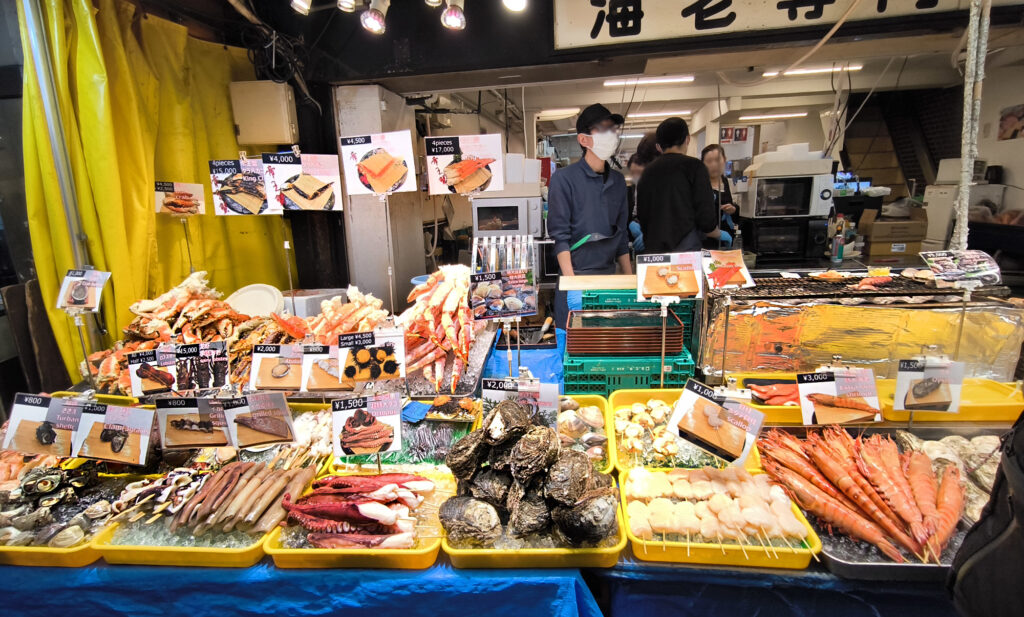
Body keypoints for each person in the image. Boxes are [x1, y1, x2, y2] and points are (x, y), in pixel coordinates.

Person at [547, 103, 633, 329]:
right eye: (602, 129)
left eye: (612, 129)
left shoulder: (618, 182)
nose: (611, 135)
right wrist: (573, 284)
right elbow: (560, 237)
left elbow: (622, 237)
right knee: (574, 353)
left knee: (607, 352)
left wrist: (629, 282)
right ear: (583, 139)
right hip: (575, 277)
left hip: (609, 280)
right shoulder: (563, 179)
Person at [636, 117, 719, 253]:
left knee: (659, 275)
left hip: (654, 250)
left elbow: (642, 214)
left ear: (659, 145)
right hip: (686, 251)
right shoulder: (695, 167)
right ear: (687, 139)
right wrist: (718, 233)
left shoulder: (647, 172)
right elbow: (706, 217)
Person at [625, 133, 658, 254]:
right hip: (637, 242)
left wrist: (651, 234)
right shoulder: (629, 191)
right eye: (633, 173)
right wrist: (631, 223)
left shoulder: (661, 188)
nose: (636, 177)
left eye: (639, 173)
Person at [701, 143, 736, 247]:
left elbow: (730, 204)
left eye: (717, 160)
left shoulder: (725, 181)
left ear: (724, 159)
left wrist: (732, 209)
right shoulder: (701, 185)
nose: (714, 165)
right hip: (707, 239)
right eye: (709, 161)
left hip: (726, 236)